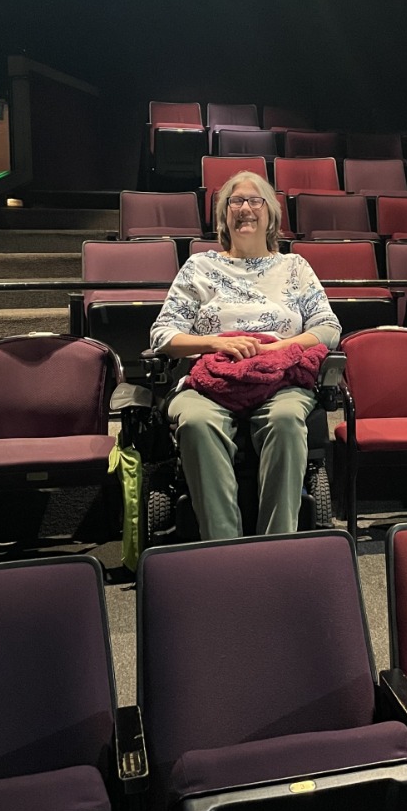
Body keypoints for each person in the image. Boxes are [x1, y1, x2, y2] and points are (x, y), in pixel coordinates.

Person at [150, 171, 341, 540]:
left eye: (256, 201)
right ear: (223, 216)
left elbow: (328, 328)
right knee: (195, 422)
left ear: (271, 214)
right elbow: (162, 333)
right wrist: (216, 344)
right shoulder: (199, 267)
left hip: (278, 381)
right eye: (235, 202)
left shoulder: (295, 267)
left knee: (286, 420)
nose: (246, 209)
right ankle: (224, 548)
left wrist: (276, 349)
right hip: (212, 382)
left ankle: (276, 546)